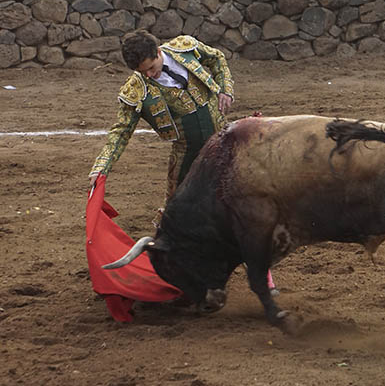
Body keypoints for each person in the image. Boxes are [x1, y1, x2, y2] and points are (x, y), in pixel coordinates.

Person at [89, 29, 278, 294]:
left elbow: (217, 58)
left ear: (158, 52)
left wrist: (226, 90)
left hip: (223, 145)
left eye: (152, 68)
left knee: (243, 207)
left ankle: (260, 272)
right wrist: (101, 167)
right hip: (187, 156)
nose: (149, 75)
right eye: (143, 72)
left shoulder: (185, 48)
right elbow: (121, 132)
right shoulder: (136, 90)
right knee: (176, 218)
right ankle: (169, 273)